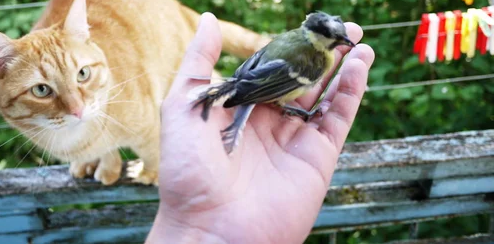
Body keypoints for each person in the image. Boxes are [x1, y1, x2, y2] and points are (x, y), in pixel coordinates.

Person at [146, 13, 375, 244]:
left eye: (343, 38)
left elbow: (259, 61)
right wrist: (289, 107)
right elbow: (277, 83)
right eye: (335, 38)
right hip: (265, 87)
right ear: (315, 34)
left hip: (250, 74)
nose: (343, 42)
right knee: (290, 107)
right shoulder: (318, 59)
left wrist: (241, 84)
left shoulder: (298, 42)